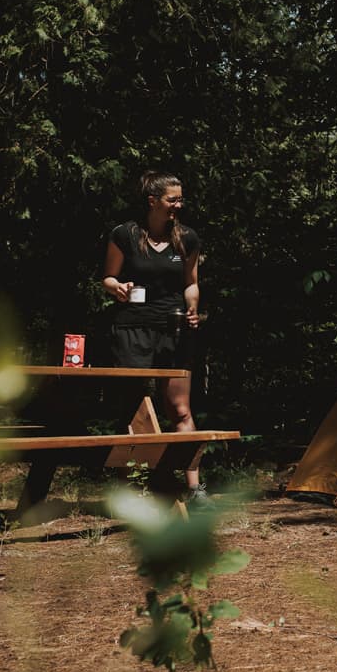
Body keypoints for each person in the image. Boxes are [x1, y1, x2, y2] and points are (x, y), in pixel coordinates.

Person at [101, 170, 211, 507]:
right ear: (153, 201)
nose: (179, 204)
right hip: (132, 328)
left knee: (180, 408)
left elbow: (191, 281)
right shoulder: (125, 235)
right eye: (172, 199)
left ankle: (194, 488)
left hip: (174, 328)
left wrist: (193, 307)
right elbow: (108, 276)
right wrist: (116, 288)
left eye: (180, 198)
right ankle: (134, 489)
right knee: (132, 407)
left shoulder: (186, 239)